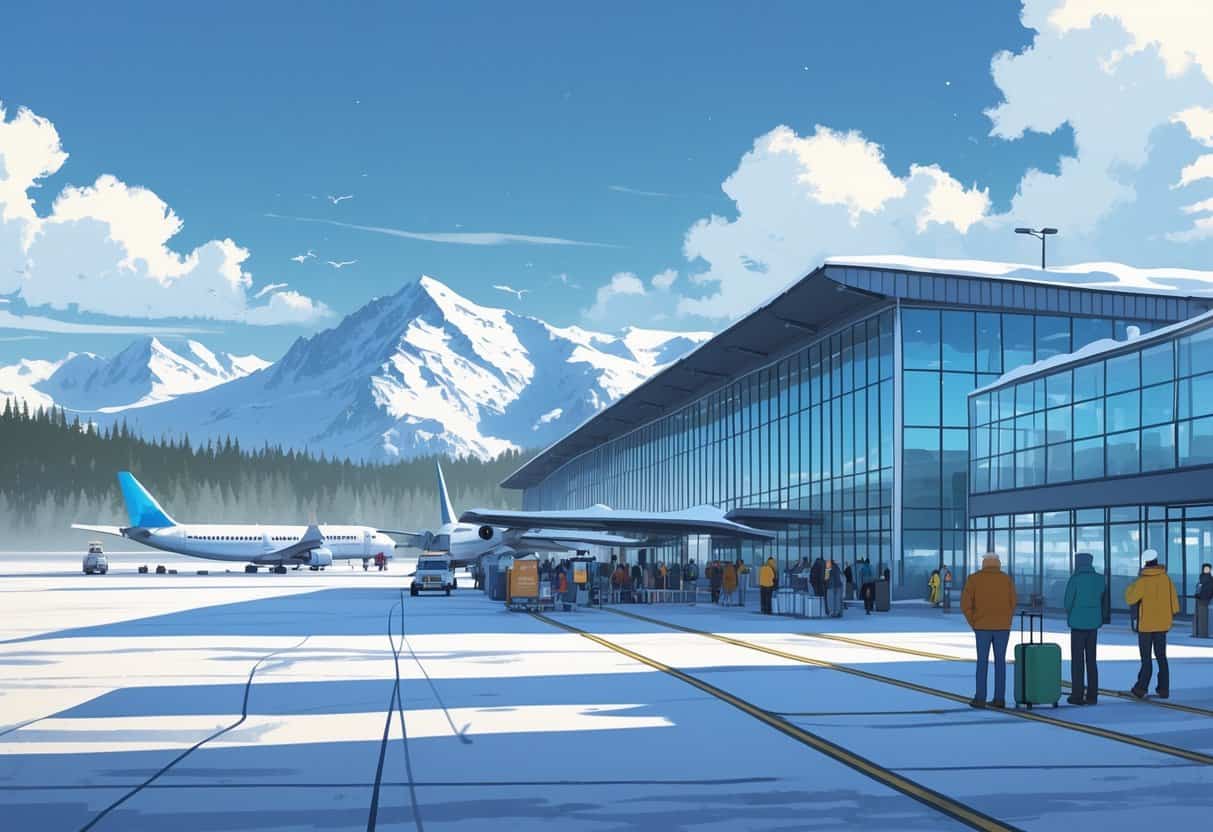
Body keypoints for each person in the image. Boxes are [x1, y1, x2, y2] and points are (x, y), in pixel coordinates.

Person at [961, 553, 1017, 709]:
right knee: (1000, 662)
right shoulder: (1006, 579)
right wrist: (1006, 620)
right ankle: (999, 699)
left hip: (982, 627)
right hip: (1002, 628)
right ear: (998, 562)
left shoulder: (974, 579)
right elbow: (1013, 602)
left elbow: (965, 605)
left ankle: (980, 698)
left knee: (982, 662)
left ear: (984, 562)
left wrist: (975, 622)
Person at [1126, 549, 1179, 699]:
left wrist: (1133, 584)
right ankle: (1164, 689)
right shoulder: (1166, 579)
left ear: (1144, 562)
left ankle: (1141, 688)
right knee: (1162, 656)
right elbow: (1174, 602)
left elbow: (1130, 598)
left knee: (1146, 658)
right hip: (1162, 624)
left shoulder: (1142, 581)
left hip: (1146, 625)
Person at [1063, 552, 1105, 705]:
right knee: (1091, 660)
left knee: (1077, 661)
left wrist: (1073, 612)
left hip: (1077, 624)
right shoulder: (1099, 579)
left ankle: (1077, 695)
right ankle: (1092, 695)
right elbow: (1102, 596)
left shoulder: (1075, 579)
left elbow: (1067, 602)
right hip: (1093, 623)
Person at [1195, 563, 1213, 638]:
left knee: (1206, 617)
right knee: (1202, 617)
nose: (1206, 570)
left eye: (1208, 568)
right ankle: (1202, 633)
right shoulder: (1200, 577)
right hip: (1201, 599)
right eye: (1205, 568)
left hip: (1208, 599)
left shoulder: (1211, 578)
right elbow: (1198, 588)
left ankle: (1205, 633)